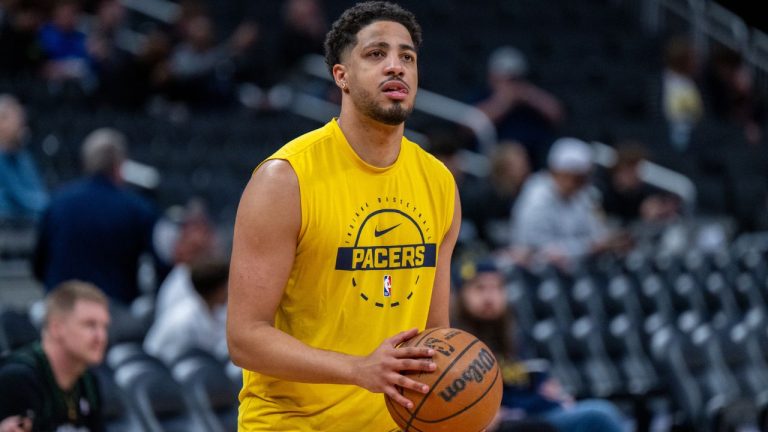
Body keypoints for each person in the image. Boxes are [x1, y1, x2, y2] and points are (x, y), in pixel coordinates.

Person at [227, 2, 461, 431]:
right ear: (342, 76)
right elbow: (245, 337)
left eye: (407, 57)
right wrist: (358, 369)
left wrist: (457, 402)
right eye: (376, 54)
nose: (396, 67)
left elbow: (434, 333)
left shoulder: (439, 182)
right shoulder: (285, 179)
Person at [452, 259, 626, 432]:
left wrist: (555, 396)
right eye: (479, 288)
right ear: (461, 294)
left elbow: (542, 383)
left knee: (599, 411)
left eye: (497, 288)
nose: (490, 297)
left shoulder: (514, 337)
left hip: (534, 415)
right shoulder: (455, 343)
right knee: (599, 415)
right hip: (512, 422)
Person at [33, 127, 157, 305]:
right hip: (113, 317)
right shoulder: (137, 209)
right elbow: (160, 266)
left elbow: (39, 266)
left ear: (86, 162)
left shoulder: (56, 203)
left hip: (61, 311)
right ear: (120, 166)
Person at [0, 280, 110, 432]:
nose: (101, 336)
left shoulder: (88, 381)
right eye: (90, 325)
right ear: (56, 328)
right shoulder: (18, 379)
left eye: (104, 326)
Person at [511, 137, 631, 271]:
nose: (583, 184)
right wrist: (589, 247)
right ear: (559, 173)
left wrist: (610, 241)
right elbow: (539, 252)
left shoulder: (584, 195)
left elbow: (597, 233)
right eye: (577, 178)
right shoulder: (536, 199)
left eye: (584, 178)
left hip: (579, 270)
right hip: (537, 273)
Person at [144, 258, 229, 365]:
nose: (229, 291)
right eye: (226, 287)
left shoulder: (219, 312)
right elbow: (169, 360)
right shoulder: (183, 320)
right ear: (216, 291)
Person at [0, 94, 48, 222]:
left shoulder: (24, 157)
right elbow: (17, 197)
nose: (22, 123)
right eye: (16, 118)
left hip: (27, 226)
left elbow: (37, 190)